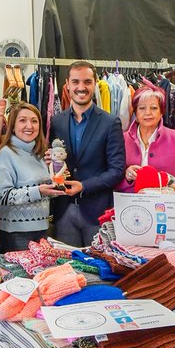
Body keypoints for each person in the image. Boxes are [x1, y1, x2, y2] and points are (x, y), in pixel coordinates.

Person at [48, 60, 126, 246]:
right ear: (67, 85)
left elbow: (117, 170)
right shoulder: (56, 121)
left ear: (95, 83)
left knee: (99, 271)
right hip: (63, 211)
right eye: (75, 82)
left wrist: (83, 186)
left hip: (96, 212)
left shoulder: (110, 123)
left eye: (87, 82)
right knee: (67, 269)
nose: (81, 87)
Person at [0, 102, 65, 253]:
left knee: (40, 275)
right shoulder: (5, 154)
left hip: (42, 229)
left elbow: (45, 194)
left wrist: (58, 182)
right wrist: (39, 191)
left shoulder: (41, 154)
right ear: (12, 126)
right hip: (16, 234)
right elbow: (3, 196)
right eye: (22, 120)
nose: (29, 126)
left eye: (34, 121)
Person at [115, 83, 175, 193]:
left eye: (154, 108)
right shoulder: (121, 139)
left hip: (165, 204)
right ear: (135, 112)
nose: (148, 113)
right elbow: (111, 177)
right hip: (130, 205)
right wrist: (126, 177)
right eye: (142, 108)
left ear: (161, 112)